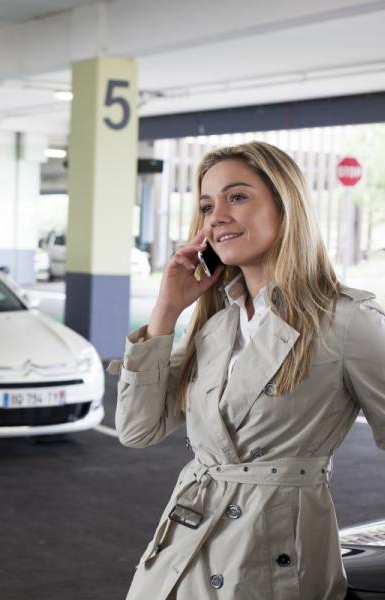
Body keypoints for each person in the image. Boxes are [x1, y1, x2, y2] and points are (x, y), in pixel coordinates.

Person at [114, 141, 385, 599]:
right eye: (206, 205)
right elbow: (137, 430)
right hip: (182, 553)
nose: (216, 216)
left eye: (237, 197)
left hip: (270, 565)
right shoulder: (216, 327)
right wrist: (166, 310)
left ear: (286, 206)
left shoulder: (347, 322)